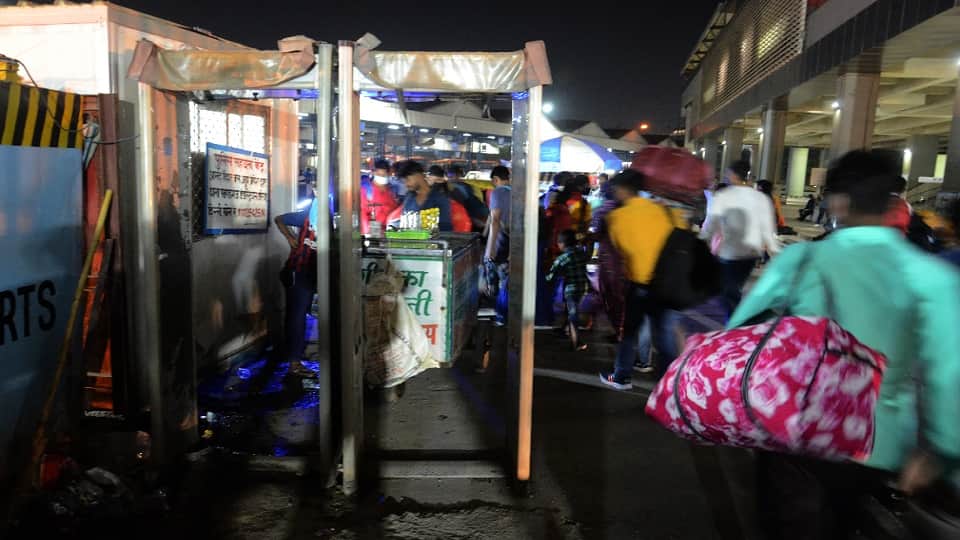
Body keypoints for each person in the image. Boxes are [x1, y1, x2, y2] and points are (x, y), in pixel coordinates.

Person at [728, 149, 960, 540]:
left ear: (837, 203)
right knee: (841, 523)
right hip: (875, 441)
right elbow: (949, 375)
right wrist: (942, 452)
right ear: (892, 204)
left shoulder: (801, 260)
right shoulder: (931, 276)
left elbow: (739, 330)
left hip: (794, 426)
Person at [599, 170, 685, 389]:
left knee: (629, 332)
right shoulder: (665, 211)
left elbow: (621, 252)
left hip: (640, 285)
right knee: (665, 337)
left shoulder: (617, 218)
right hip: (669, 284)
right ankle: (667, 385)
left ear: (621, 189)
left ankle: (621, 377)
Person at [699, 160, 780, 316]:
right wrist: (771, 251)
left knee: (727, 293)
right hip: (752, 253)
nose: (726, 176)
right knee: (733, 289)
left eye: (727, 173)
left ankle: (737, 322)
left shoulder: (724, 196)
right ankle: (738, 319)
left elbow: (712, 223)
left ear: (733, 174)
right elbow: (769, 226)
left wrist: (702, 240)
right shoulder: (760, 197)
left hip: (730, 253)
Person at [274, 196, 320, 377]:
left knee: (298, 315)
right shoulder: (307, 216)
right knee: (297, 317)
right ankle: (294, 363)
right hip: (298, 271)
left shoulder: (327, 220)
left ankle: (293, 356)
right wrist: (290, 238)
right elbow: (279, 219)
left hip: (309, 272)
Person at [590, 181, 626, 342]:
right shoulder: (627, 210)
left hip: (609, 259)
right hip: (627, 260)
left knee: (610, 297)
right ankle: (623, 331)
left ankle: (619, 331)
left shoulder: (601, 211)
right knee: (622, 298)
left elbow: (597, 234)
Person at [546, 229, 589, 351]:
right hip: (582, 288)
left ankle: (576, 342)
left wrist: (547, 266)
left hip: (571, 290)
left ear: (562, 244)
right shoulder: (581, 253)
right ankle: (565, 330)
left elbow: (550, 277)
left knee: (573, 315)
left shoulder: (562, 259)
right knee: (570, 310)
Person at [485, 165, 512, 326]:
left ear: (496, 179)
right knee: (507, 281)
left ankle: (501, 316)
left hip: (500, 242)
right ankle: (504, 316)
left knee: (497, 282)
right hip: (513, 241)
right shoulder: (517, 193)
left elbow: (495, 220)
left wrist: (490, 248)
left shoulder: (498, 192)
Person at [397, 160, 454, 231]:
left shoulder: (440, 199)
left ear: (419, 175)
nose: (406, 184)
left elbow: (445, 229)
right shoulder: (409, 197)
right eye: (404, 181)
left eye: (407, 179)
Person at [426, 165, 472, 233]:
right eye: (449, 174)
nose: (450, 176)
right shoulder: (454, 189)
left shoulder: (458, 190)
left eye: (451, 174)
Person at [446, 165, 489, 231]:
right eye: (448, 175)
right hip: (479, 216)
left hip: (474, 218)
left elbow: (463, 207)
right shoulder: (468, 186)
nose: (449, 177)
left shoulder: (459, 188)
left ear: (459, 175)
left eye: (451, 175)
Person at [360, 165, 400, 235]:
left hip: (389, 228)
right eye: (379, 174)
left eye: (384, 175)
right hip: (374, 227)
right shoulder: (367, 190)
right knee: (375, 241)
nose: (381, 177)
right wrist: (367, 233)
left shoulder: (392, 191)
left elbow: (394, 210)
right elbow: (363, 214)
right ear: (374, 173)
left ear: (388, 175)